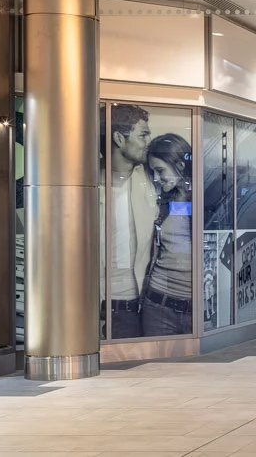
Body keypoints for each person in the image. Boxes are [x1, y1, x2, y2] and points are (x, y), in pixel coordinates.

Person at [105, 105, 157, 339]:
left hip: (138, 305)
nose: (149, 141)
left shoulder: (150, 180)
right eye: (143, 134)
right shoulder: (85, 186)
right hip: (96, 305)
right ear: (118, 138)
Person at [140, 133, 195, 335]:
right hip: (158, 305)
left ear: (180, 165)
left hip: (196, 306)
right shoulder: (162, 201)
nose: (156, 177)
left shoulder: (206, 199)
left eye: (160, 170)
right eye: (153, 171)